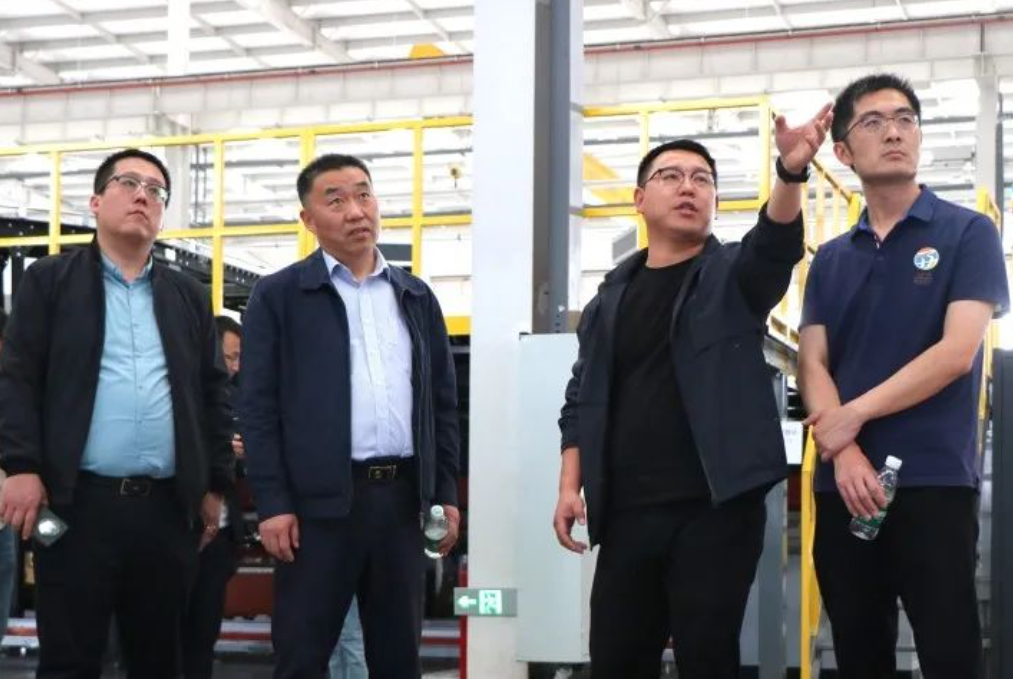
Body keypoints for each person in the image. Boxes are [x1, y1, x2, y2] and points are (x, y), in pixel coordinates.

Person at [554, 104, 834, 677]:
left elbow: (774, 245)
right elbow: (580, 398)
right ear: (639, 199)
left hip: (714, 510)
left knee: (708, 658)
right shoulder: (609, 298)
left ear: (715, 201)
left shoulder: (731, 276)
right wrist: (568, 486)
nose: (688, 187)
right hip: (626, 512)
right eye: (671, 176)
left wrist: (789, 173)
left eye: (702, 179)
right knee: (615, 660)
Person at [798, 73, 1008, 678]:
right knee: (859, 653)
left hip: (933, 481)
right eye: (873, 122)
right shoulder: (830, 258)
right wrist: (845, 454)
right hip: (845, 488)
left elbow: (956, 353)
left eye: (905, 119)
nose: (893, 132)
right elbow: (812, 362)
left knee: (950, 653)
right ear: (843, 151)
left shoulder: (968, 232)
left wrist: (852, 417)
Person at [0, 148, 235, 677]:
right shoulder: (50, 281)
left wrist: (215, 485)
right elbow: (18, 378)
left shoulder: (186, 295)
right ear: (96, 201)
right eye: (128, 183)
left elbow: (212, 393)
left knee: (160, 661)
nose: (143, 196)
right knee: (70, 659)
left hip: (166, 511)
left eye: (156, 190)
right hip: (75, 505)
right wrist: (21, 466)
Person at [241, 153, 461, 678]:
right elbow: (258, 408)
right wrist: (273, 503)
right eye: (335, 200)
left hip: (401, 502)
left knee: (397, 657)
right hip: (316, 509)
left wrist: (444, 494)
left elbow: (441, 406)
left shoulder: (414, 295)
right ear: (308, 219)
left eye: (364, 194)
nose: (356, 210)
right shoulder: (280, 296)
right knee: (302, 654)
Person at [180, 315, 248, 678]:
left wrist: (241, 455)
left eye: (238, 359)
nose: (234, 367)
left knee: (203, 637)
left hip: (219, 538)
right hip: (179, 529)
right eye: (229, 357)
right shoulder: (181, 397)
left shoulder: (237, 401)